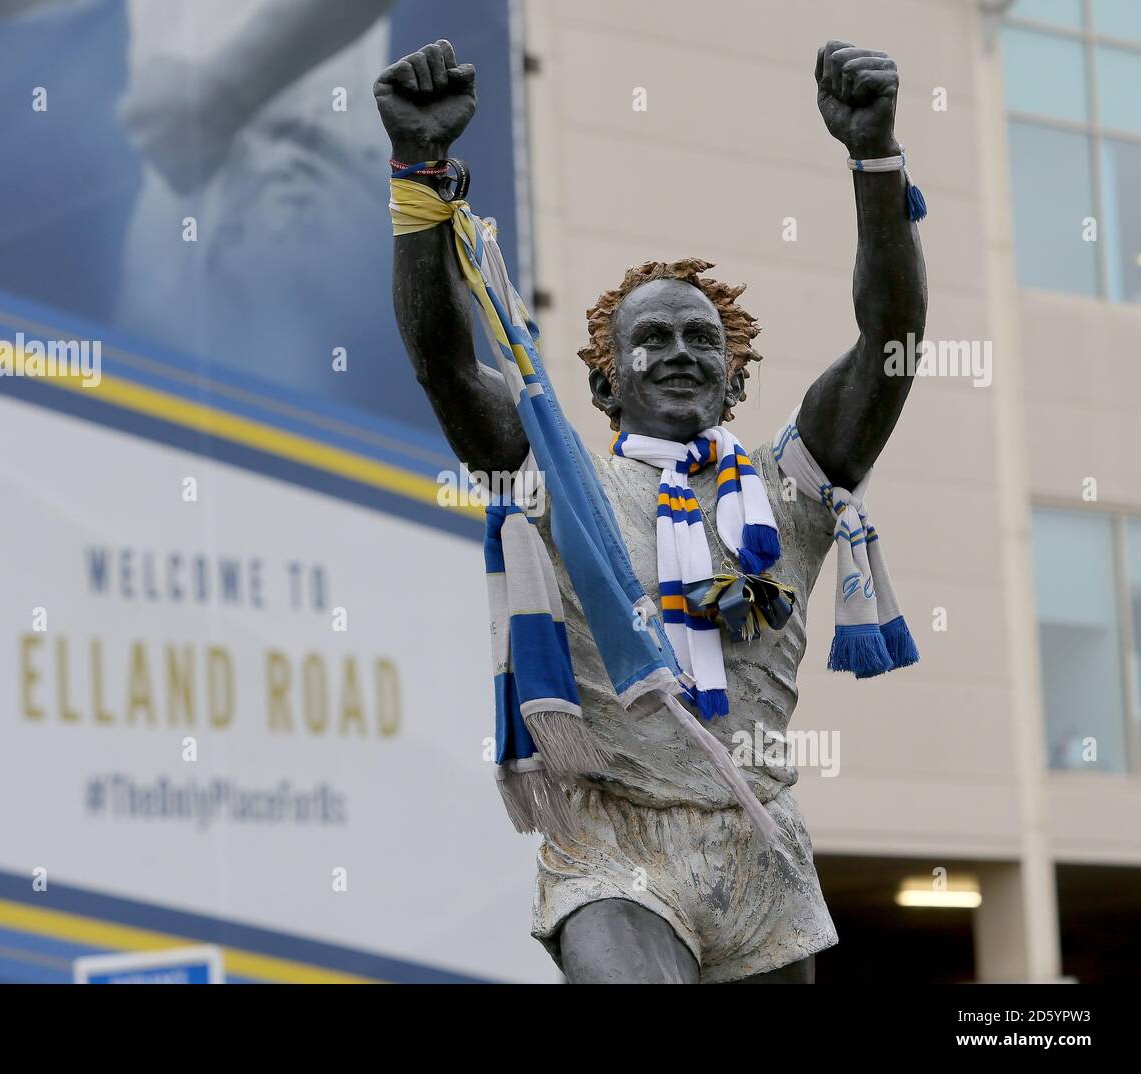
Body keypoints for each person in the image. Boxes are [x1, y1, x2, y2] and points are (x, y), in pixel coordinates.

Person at [376, 38, 927, 983]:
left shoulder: (789, 485)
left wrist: (873, 158)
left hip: (760, 845)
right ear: (602, 380)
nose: (681, 350)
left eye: (702, 337)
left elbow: (892, 341)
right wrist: (419, 176)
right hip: (614, 848)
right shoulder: (557, 480)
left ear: (733, 371)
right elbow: (442, 360)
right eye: (653, 337)